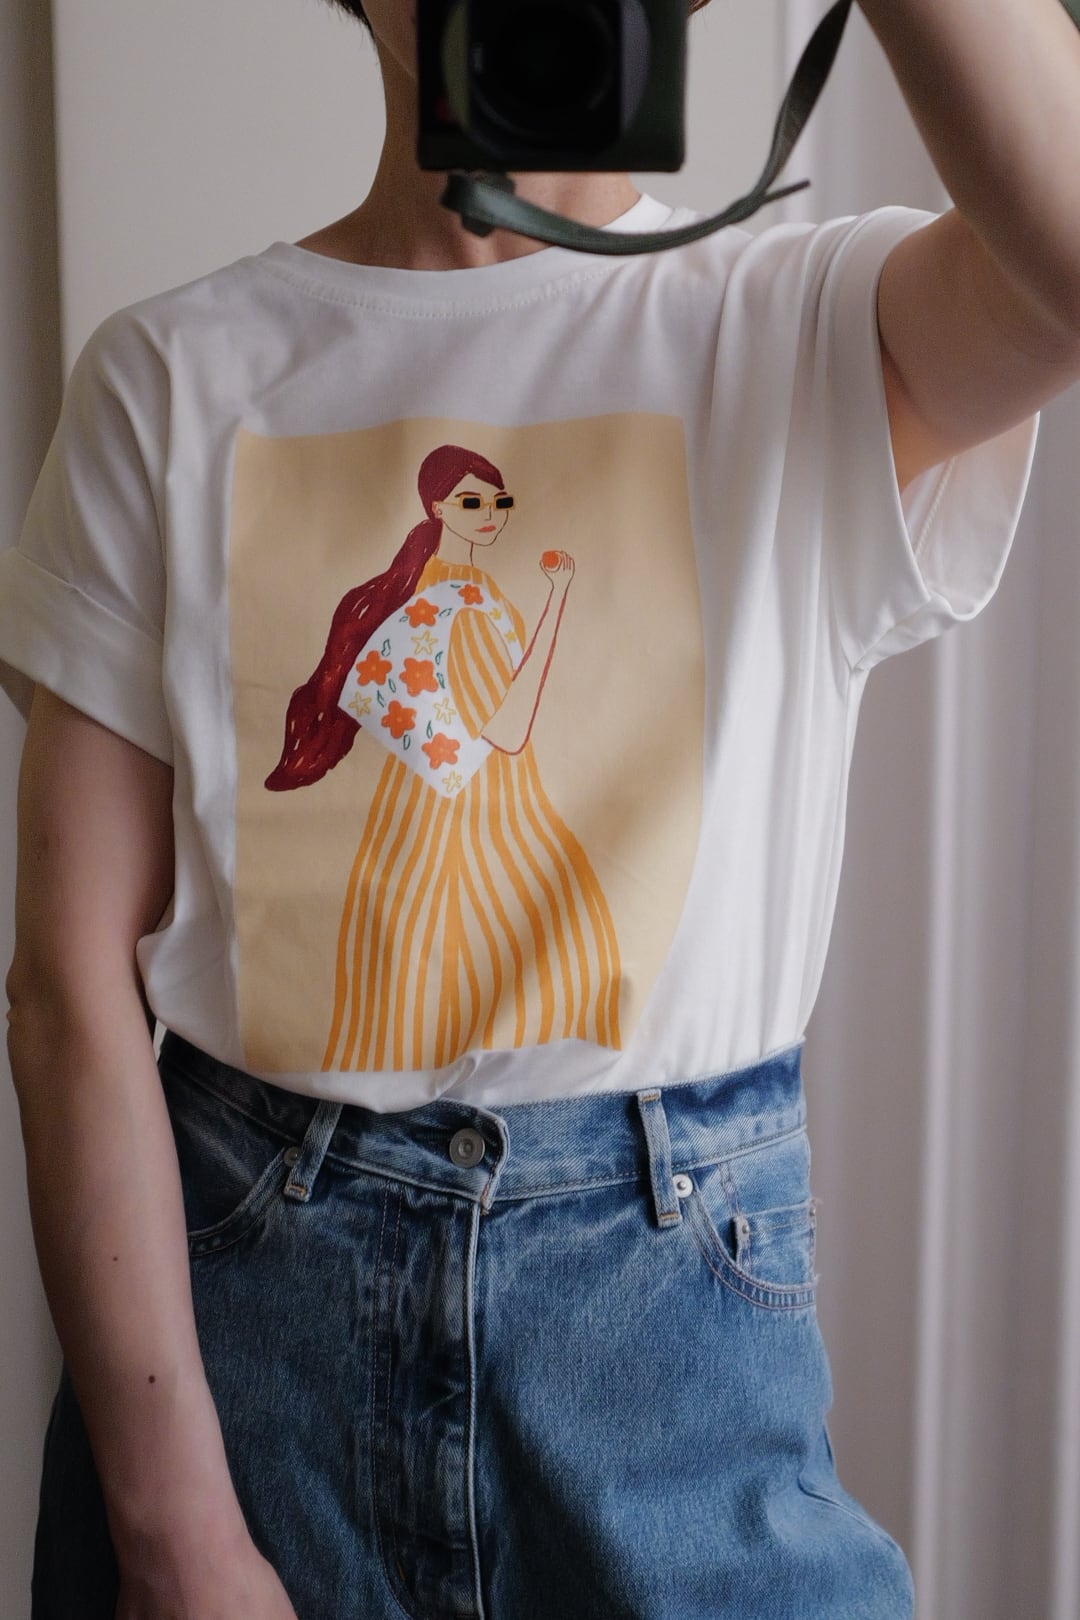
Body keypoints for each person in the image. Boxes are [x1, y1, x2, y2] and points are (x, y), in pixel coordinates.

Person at [2, 0, 1078, 1616]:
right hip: (251, 1340)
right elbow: (65, 985)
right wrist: (176, 1538)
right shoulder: (172, 375)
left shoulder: (797, 322)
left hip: (671, 1347)